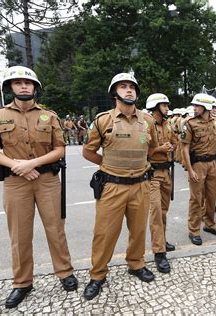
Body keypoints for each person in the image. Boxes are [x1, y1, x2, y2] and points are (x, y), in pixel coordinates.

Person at [0, 66, 77, 308]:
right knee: (19, 234)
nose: (24, 86)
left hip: (46, 180)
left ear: (35, 88)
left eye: (28, 82)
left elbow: (59, 149)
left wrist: (33, 163)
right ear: (10, 87)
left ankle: (65, 272)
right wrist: (17, 165)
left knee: (56, 229)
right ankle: (22, 282)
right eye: (18, 82)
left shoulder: (50, 116)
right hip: (15, 182)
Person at [82, 72, 159, 300]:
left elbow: (151, 150)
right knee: (104, 234)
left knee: (138, 231)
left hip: (141, 185)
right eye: (123, 86)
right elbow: (88, 151)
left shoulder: (148, 121)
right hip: (112, 186)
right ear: (114, 93)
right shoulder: (103, 120)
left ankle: (136, 264)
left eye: (132, 87)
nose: (129, 90)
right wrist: (107, 165)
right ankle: (97, 275)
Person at [181, 93, 216, 246]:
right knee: (196, 199)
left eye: (197, 105)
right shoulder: (190, 123)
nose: (194, 108)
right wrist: (189, 169)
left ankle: (210, 224)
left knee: (212, 197)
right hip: (198, 164)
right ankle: (193, 230)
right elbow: (184, 148)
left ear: (206, 107)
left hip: (212, 163)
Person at [145, 93, 176, 274]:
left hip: (166, 172)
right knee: (155, 212)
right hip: (153, 173)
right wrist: (159, 149)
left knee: (163, 210)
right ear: (156, 107)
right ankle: (159, 253)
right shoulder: (146, 124)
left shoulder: (168, 124)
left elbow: (173, 142)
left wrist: (172, 146)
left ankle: (162, 240)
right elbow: (142, 151)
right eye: (164, 105)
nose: (167, 108)